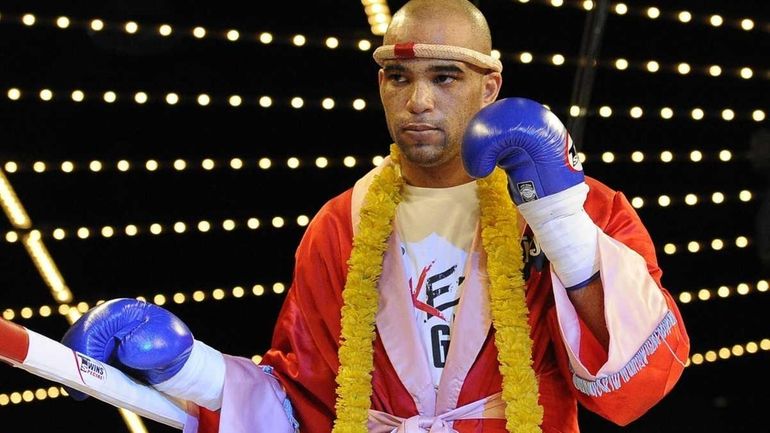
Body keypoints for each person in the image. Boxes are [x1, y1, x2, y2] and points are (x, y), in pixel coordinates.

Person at [60, 1, 690, 432]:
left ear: (490, 87)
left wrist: (559, 221)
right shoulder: (340, 224)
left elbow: (638, 383)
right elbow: (303, 401)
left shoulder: (579, 206)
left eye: (445, 76)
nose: (417, 101)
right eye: (397, 76)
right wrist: (183, 365)